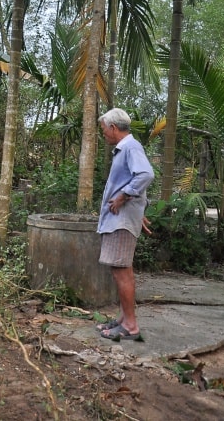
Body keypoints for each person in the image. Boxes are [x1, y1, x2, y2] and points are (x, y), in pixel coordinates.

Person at [96, 108, 154, 341]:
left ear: (113, 127)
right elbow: (136, 180)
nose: (104, 135)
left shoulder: (130, 146)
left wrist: (123, 197)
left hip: (119, 221)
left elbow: (145, 175)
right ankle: (123, 319)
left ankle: (130, 325)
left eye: (104, 130)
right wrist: (137, 209)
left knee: (121, 272)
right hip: (120, 218)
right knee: (121, 270)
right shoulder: (124, 149)